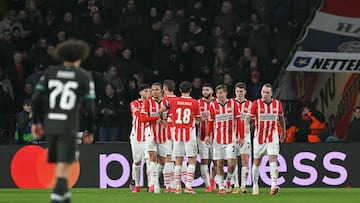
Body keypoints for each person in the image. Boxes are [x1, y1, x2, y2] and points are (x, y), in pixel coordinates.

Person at [31, 39, 96, 203]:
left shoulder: (49, 73)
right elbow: (90, 108)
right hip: (68, 125)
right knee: (66, 166)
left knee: (61, 165)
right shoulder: (83, 76)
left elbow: (35, 99)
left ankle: (63, 196)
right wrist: (91, 130)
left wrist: (37, 123)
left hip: (51, 124)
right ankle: (56, 196)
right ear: (80, 56)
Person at [244, 83, 286, 195]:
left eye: (267, 92)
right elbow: (248, 117)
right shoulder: (255, 104)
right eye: (263, 92)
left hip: (273, 137)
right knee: (257, 161)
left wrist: (284, 132)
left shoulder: (277, 104)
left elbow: (281, 118)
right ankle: (255, 185)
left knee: (273, 159)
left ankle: (273, 185)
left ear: (271, 93)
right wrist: (247, 126)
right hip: (259, 138)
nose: (265, 94)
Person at [167, 81, 202, 194]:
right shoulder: (194, 102)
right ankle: (188, 186)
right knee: (192, 159)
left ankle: (178, 188)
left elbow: (171, 117)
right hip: (189, 134)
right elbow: (199, 119)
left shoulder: (175, 101)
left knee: (178, 160)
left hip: (177, 134)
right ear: (191, 90)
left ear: (180, 90)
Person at [206, 84, 242, 194]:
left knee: (232, 163)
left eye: (221, 93)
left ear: (226, 93)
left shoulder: (233, 104)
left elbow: (239, 120)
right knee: (219, 164)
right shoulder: (213, 105)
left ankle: (228, 181)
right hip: (218, 140)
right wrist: (208, 135)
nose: (219, 95)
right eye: (217, 93)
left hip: (231, 139)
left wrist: (241, 136)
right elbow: (211, 121)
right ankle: (221, 187)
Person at [139, 82, 167, 193]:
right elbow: (142, 118)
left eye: (157, 89)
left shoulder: (166, 103)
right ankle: (154, 186)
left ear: (161, 91)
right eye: (153, 89)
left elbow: (170, 117)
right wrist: (156, 118)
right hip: (150, 132)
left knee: (163, 162)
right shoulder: (148, 103)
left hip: (163, 134)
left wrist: (166, 122)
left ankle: (156, 183)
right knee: (152, 157)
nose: (154, 92)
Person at [129, 84, 151, 193]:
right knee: (137, 162)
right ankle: (137, 184)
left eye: (149, 91)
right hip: (136, 137)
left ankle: (150, 185)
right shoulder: (134, 104)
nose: (148, 93)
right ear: (140, 93)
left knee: (149, 160)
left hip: (148, 137)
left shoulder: (152, 104)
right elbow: (140, 116)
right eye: (146, 91)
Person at [232, 82, 252, 193]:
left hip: (245, 136)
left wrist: (249, 127)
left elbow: (254, 119)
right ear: (235, 92)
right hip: (233, 135)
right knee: (233, 161)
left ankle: (243, 185)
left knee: (245, 160)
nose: (239, 93)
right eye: (237, 91)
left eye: (241, 91)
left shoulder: (250, 104)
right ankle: (236, 185)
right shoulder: (230, 103)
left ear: (245, 92)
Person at [197, 83, 217, 192]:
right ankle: (208, 185)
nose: (205, 92)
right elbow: (194, 119)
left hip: (216, 137)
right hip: (202, 137)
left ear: (212, 91)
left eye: (207, 89)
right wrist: (199, 120)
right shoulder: (198, 103)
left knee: (217, 162)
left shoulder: (217, 102)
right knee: (204, 161)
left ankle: (212, 178)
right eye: (203, 90)